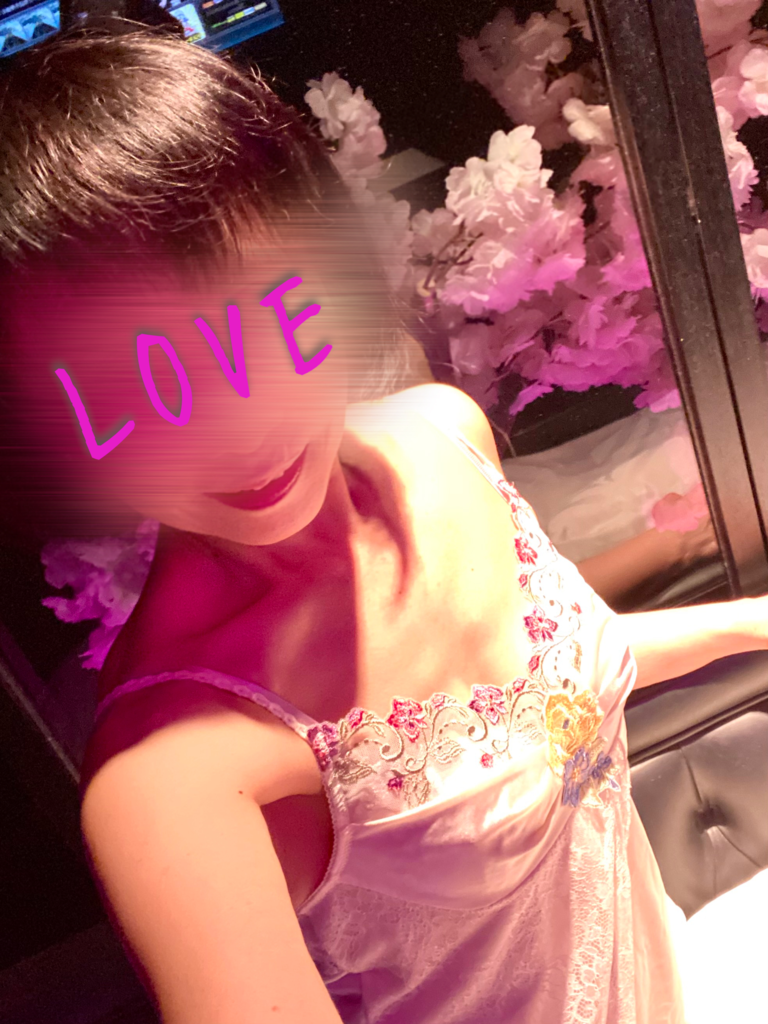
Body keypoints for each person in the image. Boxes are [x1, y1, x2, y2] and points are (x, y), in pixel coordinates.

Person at [1, 26, 765, 1024]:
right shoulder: (172, 785)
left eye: (264, 313)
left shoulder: (441, 432)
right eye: (135, 392)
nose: (236, 421)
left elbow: (544, 697)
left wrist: (752, 622)